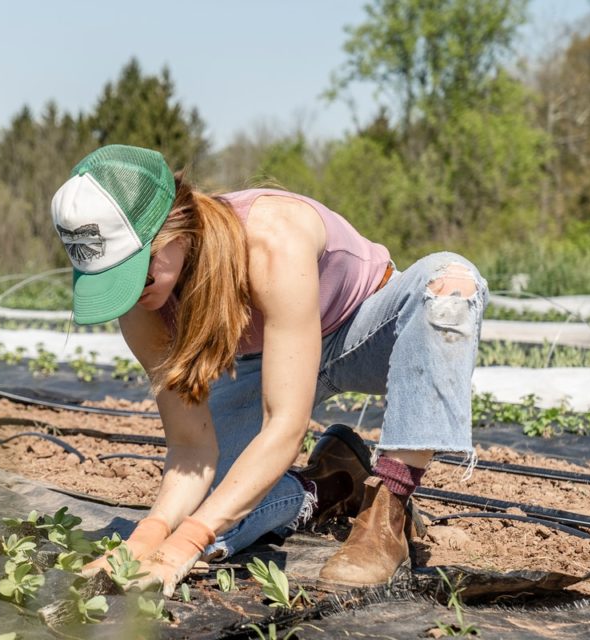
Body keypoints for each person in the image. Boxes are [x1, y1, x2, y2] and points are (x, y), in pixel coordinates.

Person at [52, 145, 487, 595]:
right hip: (269, 361)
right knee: (213, 507)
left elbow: (285, 425)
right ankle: (328, 485)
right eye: (111, 282)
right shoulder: (142, 306)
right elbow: (191, 448)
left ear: (175, 229)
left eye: (136, 274)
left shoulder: (269, 238)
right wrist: (148, 538)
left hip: (366, 332)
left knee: (450, 283)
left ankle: (388, 508)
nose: (132, 294)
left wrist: (186, 542)